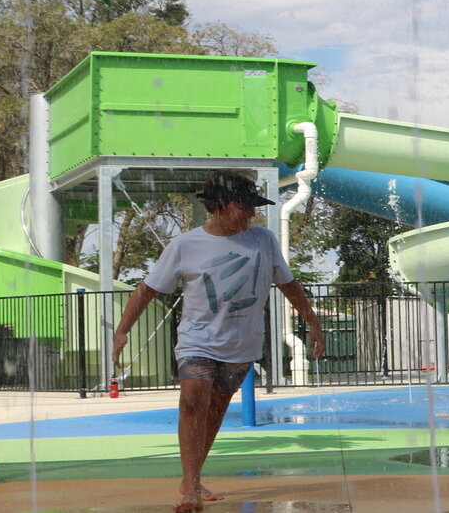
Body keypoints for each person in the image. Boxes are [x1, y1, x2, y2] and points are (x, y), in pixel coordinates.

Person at [111, 170, 324, 513]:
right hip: (198, 341)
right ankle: (191, 486)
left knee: (213, 414)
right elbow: (147, 289)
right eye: (246, 207)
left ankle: (191, 476)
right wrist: (122, 331)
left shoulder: (263, 240)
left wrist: (312, 321)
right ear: (222, 206)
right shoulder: (185, 245)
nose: (252, 214)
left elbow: (288, 283)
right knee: (192, 401)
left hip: (241, 345)